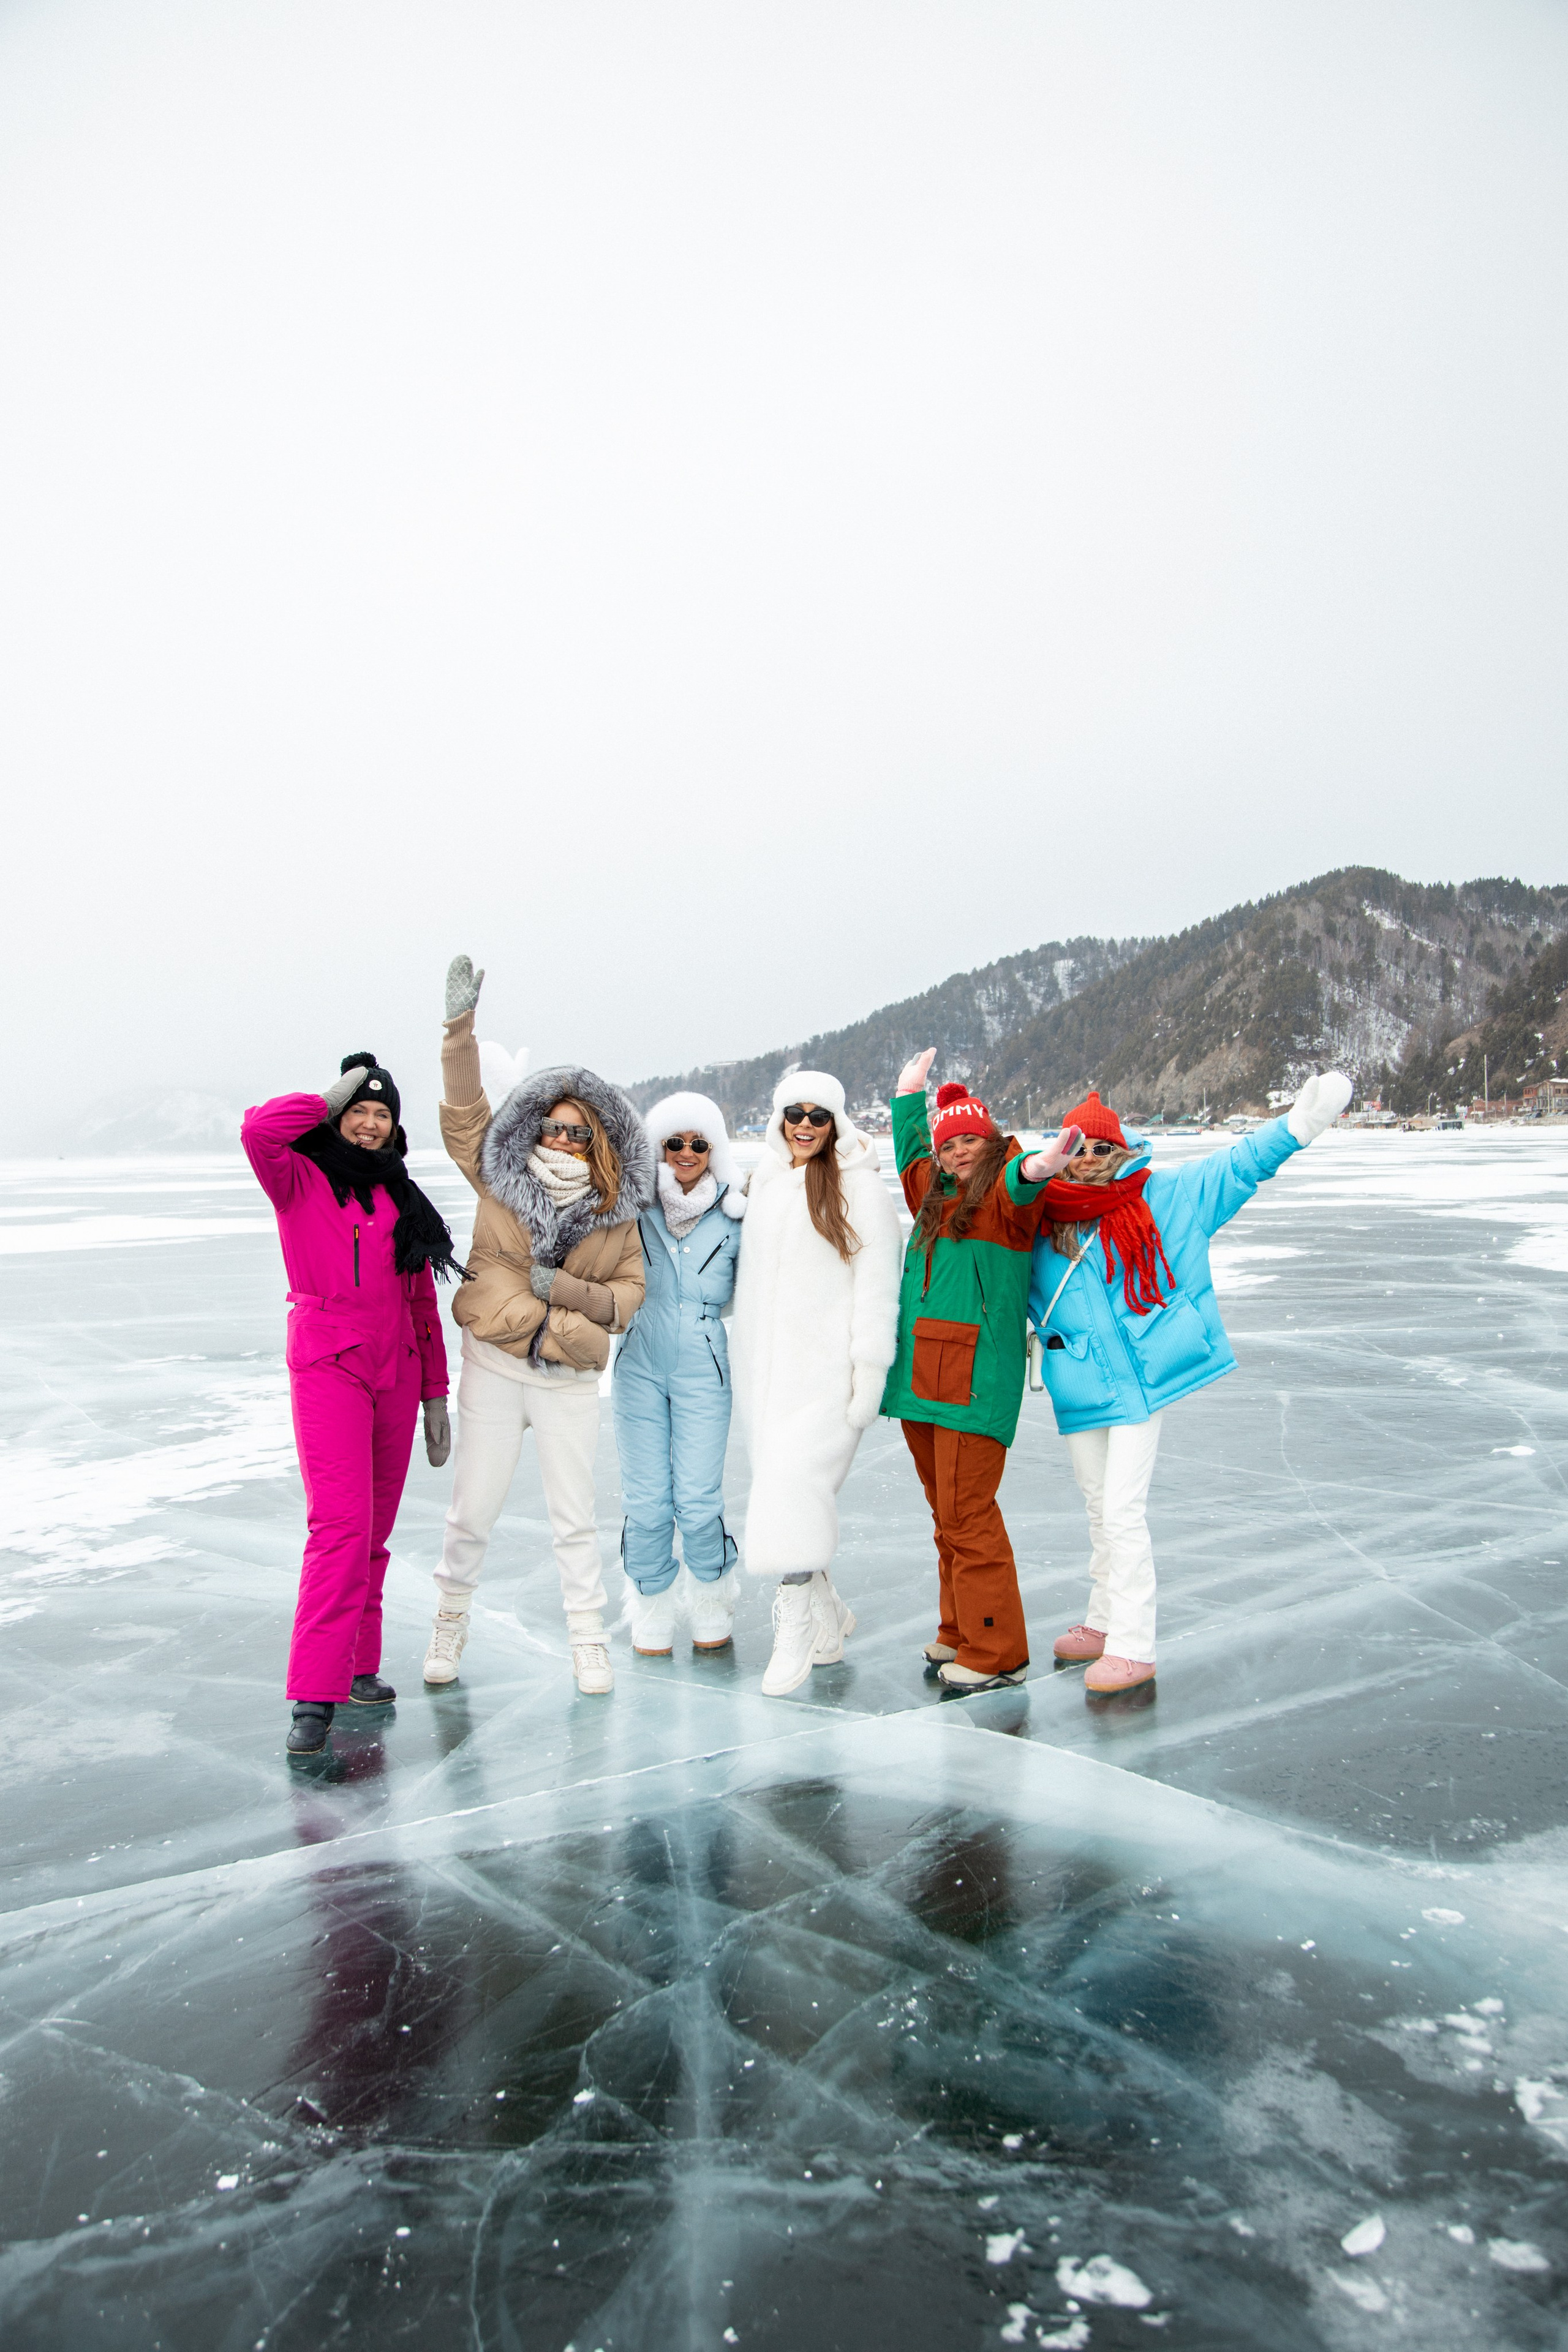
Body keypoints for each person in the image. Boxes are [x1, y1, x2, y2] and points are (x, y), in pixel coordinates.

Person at [1027, 1072, 1352, 1695]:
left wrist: (1298, 1126)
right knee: (1099, 1509)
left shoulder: (1165, 1196)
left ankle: (1132, 1645)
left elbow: (1239, 1166)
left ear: (1119, 1150)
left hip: (1141, 1382)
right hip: (1077, 1383)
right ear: (1059, 1151)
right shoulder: (1039, 1218)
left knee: (1122, 1511)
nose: (1090, 1159)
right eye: (1078, 1148)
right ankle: (1102, 1622)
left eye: (1101, 1148)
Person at [426, 955, 652, 1695]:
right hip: (493, 1366)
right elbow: (464, 1115)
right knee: (473, 1512)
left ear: (598, 1144)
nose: (562, 1141)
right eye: (553, 1129)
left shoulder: (616, 1214)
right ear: (534, 1129)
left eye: (578, 1134)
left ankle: (589, 1641)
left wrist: (565, 1292)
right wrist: (459, 1029)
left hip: (567, 1382)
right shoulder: (498, 1177)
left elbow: (625, 1300)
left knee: (573, 1519)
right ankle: (449, 1623)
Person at [241, 1052, 462, 1757]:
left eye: (382, 1114)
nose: (369, 1125)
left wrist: (434, 1393)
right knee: (339, 1525)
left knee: (374, 1531)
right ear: (338, 1117)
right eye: (358, 1112)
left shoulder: (402, 1197)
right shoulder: (299, 1179)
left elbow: (421, 1302)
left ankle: (358, 1666)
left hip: (394, 1370)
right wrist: (325, 1094)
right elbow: (259, 1132)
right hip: (329, 1364)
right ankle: (314, 1691)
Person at [880, 1057, 1084, 1694]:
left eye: (969, 1138)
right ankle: (960, 1631)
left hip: (973, 1381)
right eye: (950, 1143)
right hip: (920, 1379)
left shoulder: (1003, 1199)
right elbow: (912, 1153)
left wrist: (1040, 1168)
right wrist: (908, 1097)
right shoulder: (932, 1195)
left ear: (990, 1141)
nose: (957, 1151)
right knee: (945, 1516)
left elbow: (1023, 1183)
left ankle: (998, 1651)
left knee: (968, 1516)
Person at [729, 1072, 902, 1696]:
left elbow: (879, 1289)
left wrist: (867, 1373)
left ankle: (795, 1621)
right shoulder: (767, 1186)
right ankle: (829, 1621)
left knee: (789, 1489)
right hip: (766, 1382)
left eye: (818, 1115)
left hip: (827, 1379)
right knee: (788, 1491)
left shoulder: (861, 1192)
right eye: (794, 1113)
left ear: (836, 1124)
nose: (804, 1124)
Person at [612, 1094, 747, 1656]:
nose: (686, 1153)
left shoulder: (740, 1214)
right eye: (674, 1142)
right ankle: (649, 1603)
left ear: (713, 1151)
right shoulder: (629, 1207)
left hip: (704, 1363)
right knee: (646, 1501)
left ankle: (712, 1595)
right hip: (638, 1363)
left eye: (698, 1143)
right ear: (658, 1148)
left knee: (697, 1498)